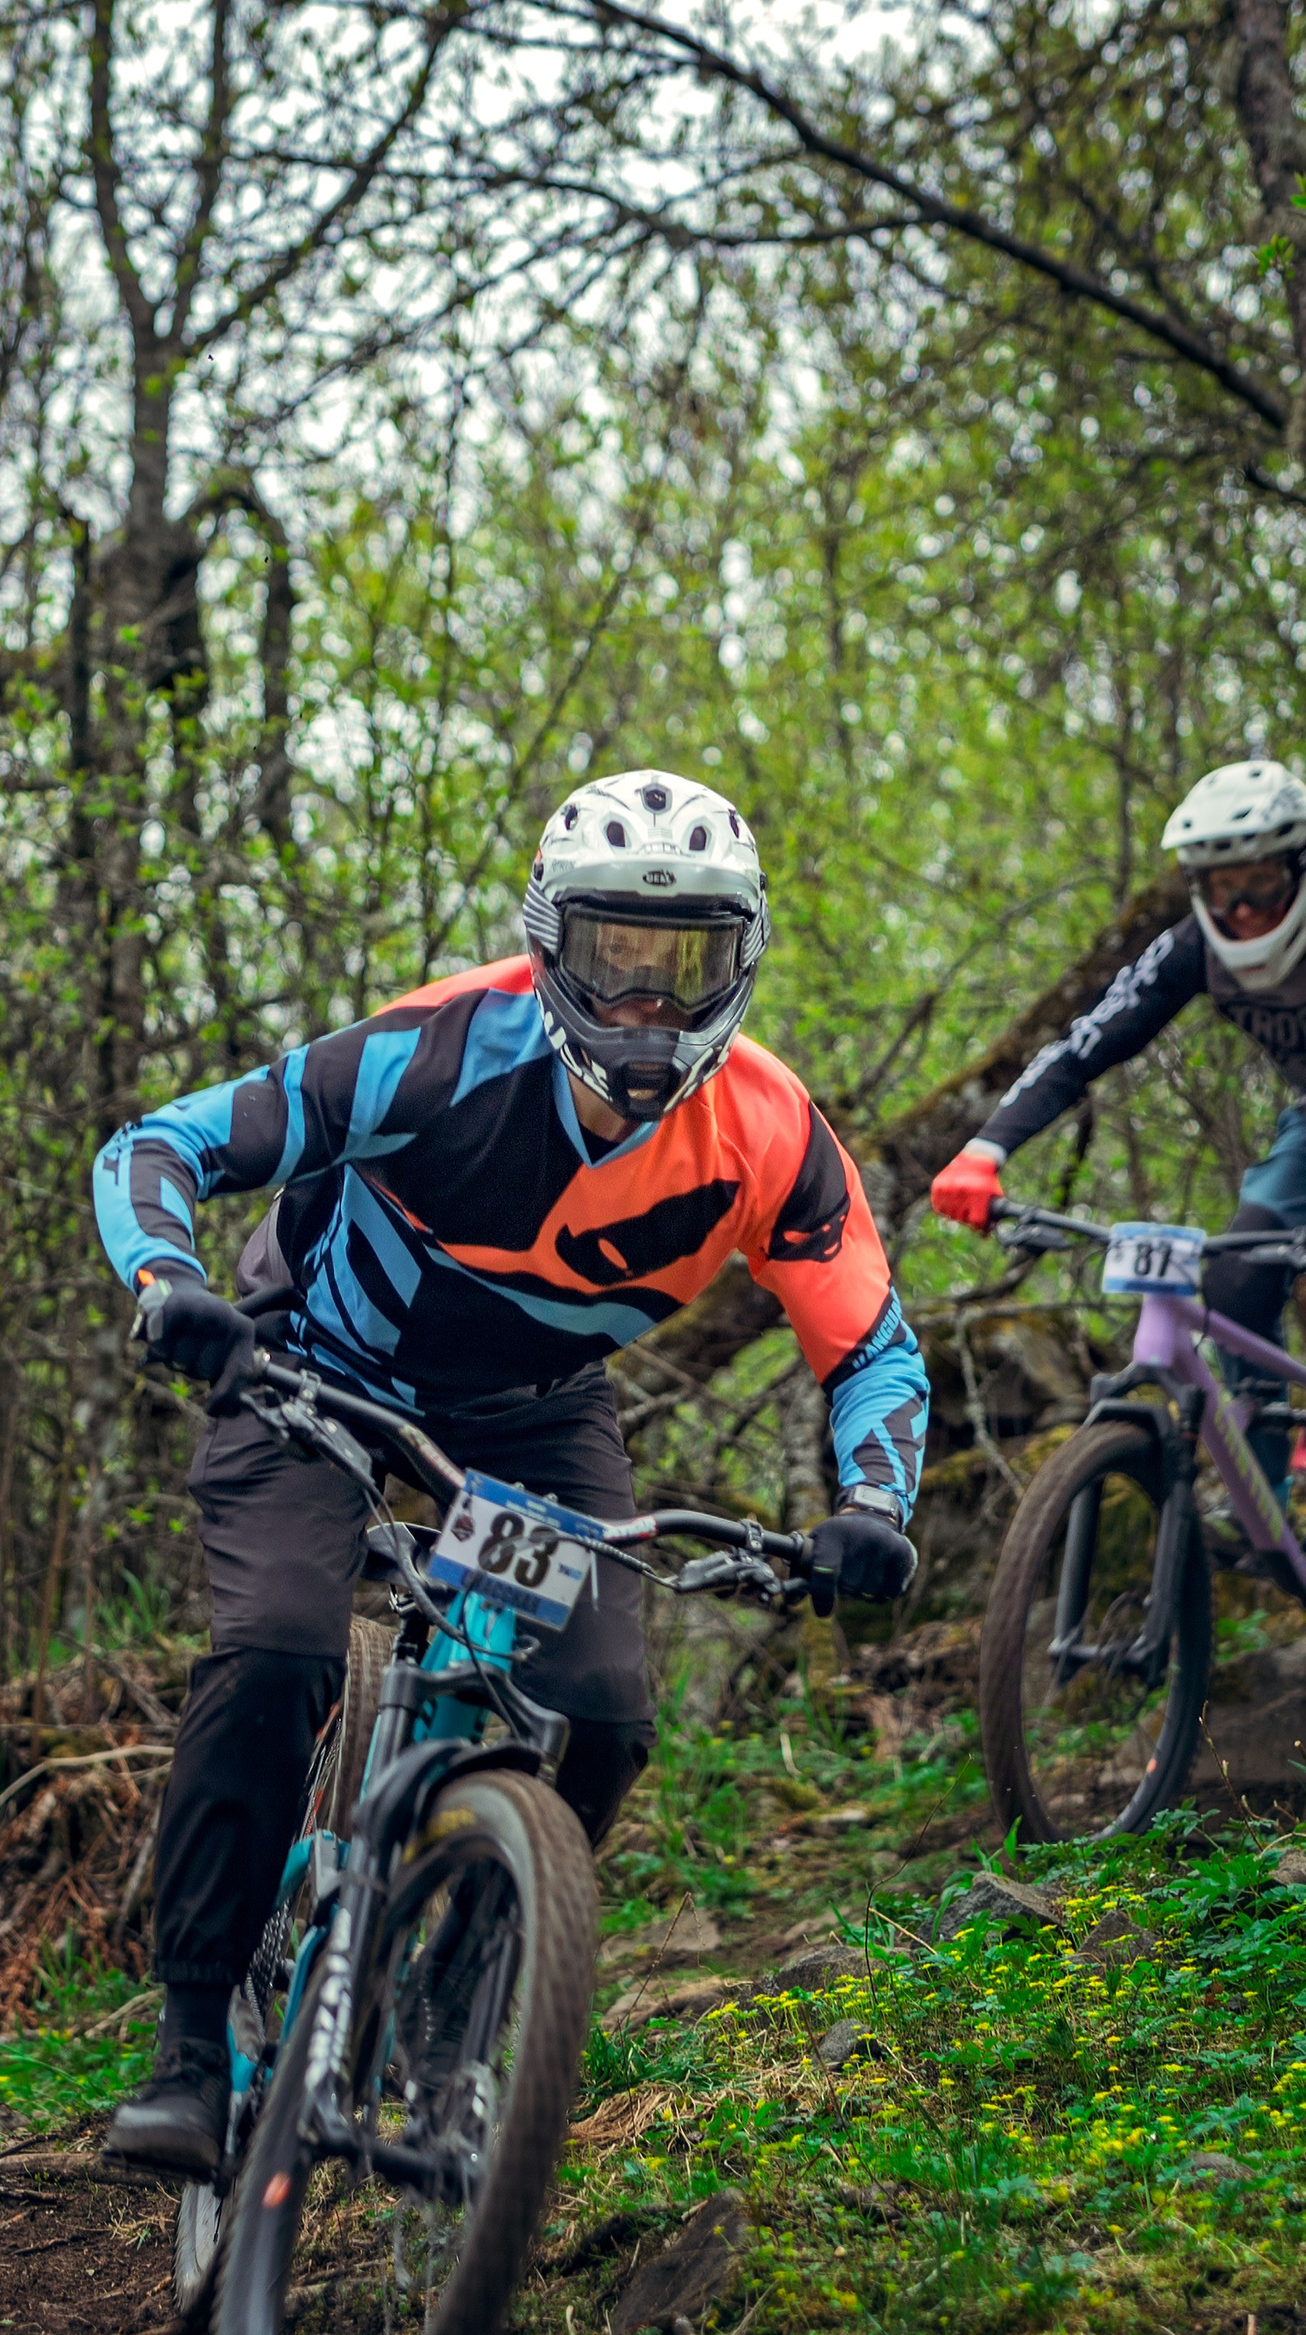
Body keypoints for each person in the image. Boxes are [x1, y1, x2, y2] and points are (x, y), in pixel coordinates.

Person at [92, 768, 930, 2178]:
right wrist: (171, 1284)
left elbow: (873, 1346)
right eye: (619, 960)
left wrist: (872, 1507)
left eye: (690, 967)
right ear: (553, 946)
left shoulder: (773, 1134)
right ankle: (189, 2041)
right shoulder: (430, 1054)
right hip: (310, 1368)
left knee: (600, 1713)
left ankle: (452, 2004)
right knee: (281, 1644)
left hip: (535, 1415)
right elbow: (160, 1144)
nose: (649, 1008)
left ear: (746, 960)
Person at [927, 760, 1306, 1523]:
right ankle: (1261, 1496)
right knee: (1232, 1287)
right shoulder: (1195, 948)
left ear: (1303, 867)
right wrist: (985, 1150)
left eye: (1259, 883)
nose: (1242, 910)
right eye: (1219, 887)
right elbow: (1086, 1043)